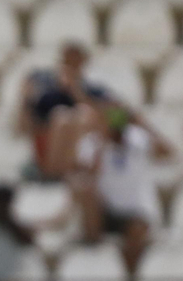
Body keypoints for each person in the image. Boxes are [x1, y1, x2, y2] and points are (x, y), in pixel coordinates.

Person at [72, 105, 170, 276]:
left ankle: (129, 279)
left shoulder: (138, 139)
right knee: (85, 191)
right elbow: (86, 174)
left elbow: (167, 153)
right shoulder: (92, 143)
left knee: (137, 231)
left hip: (134, 210)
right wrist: (102, 144)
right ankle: (92, 253)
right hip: (105, 209)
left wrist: (143, 124)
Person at [17, 40, 115, 180]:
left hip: (82, 151)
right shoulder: (45, 91)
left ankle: (67, 171)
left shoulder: (93, 90)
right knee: (62, 117)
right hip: (46, 147)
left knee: (83, 115)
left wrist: (75, 90)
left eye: (75, 62)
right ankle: (55, 171)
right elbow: (25, 126)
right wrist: (26, 100)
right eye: (67, 61)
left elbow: (107, 119)